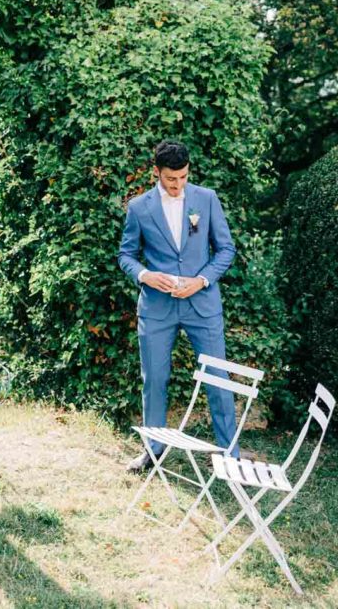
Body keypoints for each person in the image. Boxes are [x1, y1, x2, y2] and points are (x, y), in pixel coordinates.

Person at [117, 141, 238, 472]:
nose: (178, 185)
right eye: (171, 179)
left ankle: (230, 456)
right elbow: (126, 255)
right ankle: (153, 451)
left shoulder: (207, 199)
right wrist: (145, 275)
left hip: (202, 305)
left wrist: (201, 281)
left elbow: (226, 249)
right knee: (154, 380)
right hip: (157, 308)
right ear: (157, 172)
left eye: (183, 177)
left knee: (218, 380)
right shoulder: (139, 208)